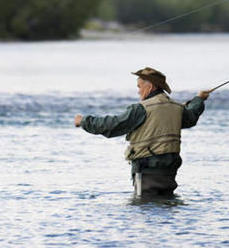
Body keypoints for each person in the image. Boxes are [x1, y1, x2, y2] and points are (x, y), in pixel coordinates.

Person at [74, 67, 209, 197]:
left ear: (150, 87)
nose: (138, 92)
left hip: (146, 172)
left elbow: (112, 126)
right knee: (166, 208)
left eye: (139, 87)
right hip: (170, 171)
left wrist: (84, 121)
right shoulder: (176, 108)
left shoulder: (141, 109)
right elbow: (191, 115)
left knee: (144, 210)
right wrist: (199, 99)